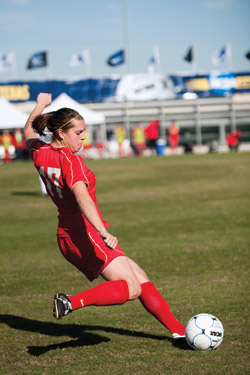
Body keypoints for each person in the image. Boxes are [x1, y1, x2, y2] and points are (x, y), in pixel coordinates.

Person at [24, 93, 185, 340]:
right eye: (78, 132)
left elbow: (28, 132)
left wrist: (39, 106)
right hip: (86, 233)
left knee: (139, 277)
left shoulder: (40, 153)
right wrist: (102, 231)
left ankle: (179, 331)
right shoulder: (71, 161)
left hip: (68, 234)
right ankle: (70, 302)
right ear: (61, 134)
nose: (83, 137)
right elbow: (82, 197)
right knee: (131, 288)